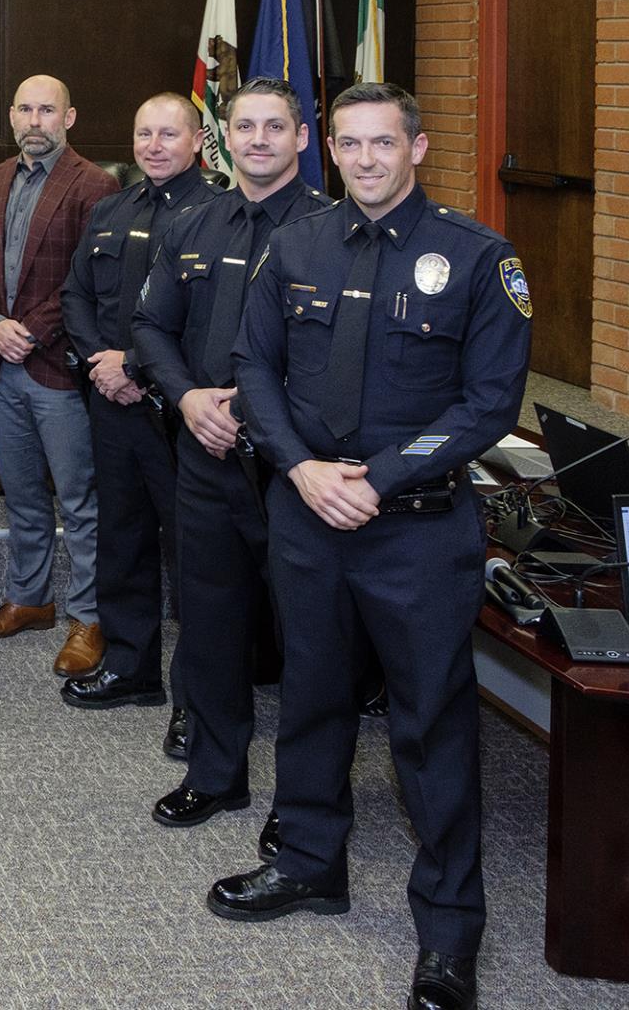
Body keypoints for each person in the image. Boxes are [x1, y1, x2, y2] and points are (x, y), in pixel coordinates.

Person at [220, 82, 530, 1010]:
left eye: (381, 144)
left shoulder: (477, 258)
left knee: (430, 726)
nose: (363, 160)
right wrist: (303, 469)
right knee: (310, 699)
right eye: (349, 145)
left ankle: (447, 932)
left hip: (418, 533)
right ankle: (310, 859)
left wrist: (379, 477)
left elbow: (488, 404)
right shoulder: (298, 243)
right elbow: (252, 367)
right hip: (309, 518)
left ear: (418, 148)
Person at [130, 77, 330, 846]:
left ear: (303, 137)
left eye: (274, 127)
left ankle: (306, 801)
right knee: (210, 625)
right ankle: (215, 774)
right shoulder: (194, 220)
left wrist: (244, 409)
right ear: (225, 138)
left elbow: (332, 366)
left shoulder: (329, 230)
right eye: (243, 127)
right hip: (205, 459)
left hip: (290, 471)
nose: (257, 141)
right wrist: (185, 399)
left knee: (310, 641)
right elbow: (151, 326)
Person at [58, 94, 223, 748]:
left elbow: (212, 324)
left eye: (168, 133)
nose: (154, 144)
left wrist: (136, 365)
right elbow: (74, 294)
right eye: (143, 132)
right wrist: (101, 362)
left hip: (178, 415)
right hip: (111, 405)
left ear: (198, 141)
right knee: (121, 541)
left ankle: (197, 700)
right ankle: (129, 666)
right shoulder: (111, 207)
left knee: (194, 562)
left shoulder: (219, 215)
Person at [0, 75, 118, 675]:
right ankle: (30, 599)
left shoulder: (96, 185)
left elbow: (88, 280)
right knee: (22, 497)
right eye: (25, 109)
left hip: (56, 367)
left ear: (69, 117)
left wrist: (29, 330)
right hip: (1, 366)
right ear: (11, 116)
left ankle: (88, 615)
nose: (35, 119)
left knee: (78, 499)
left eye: (46, 109)